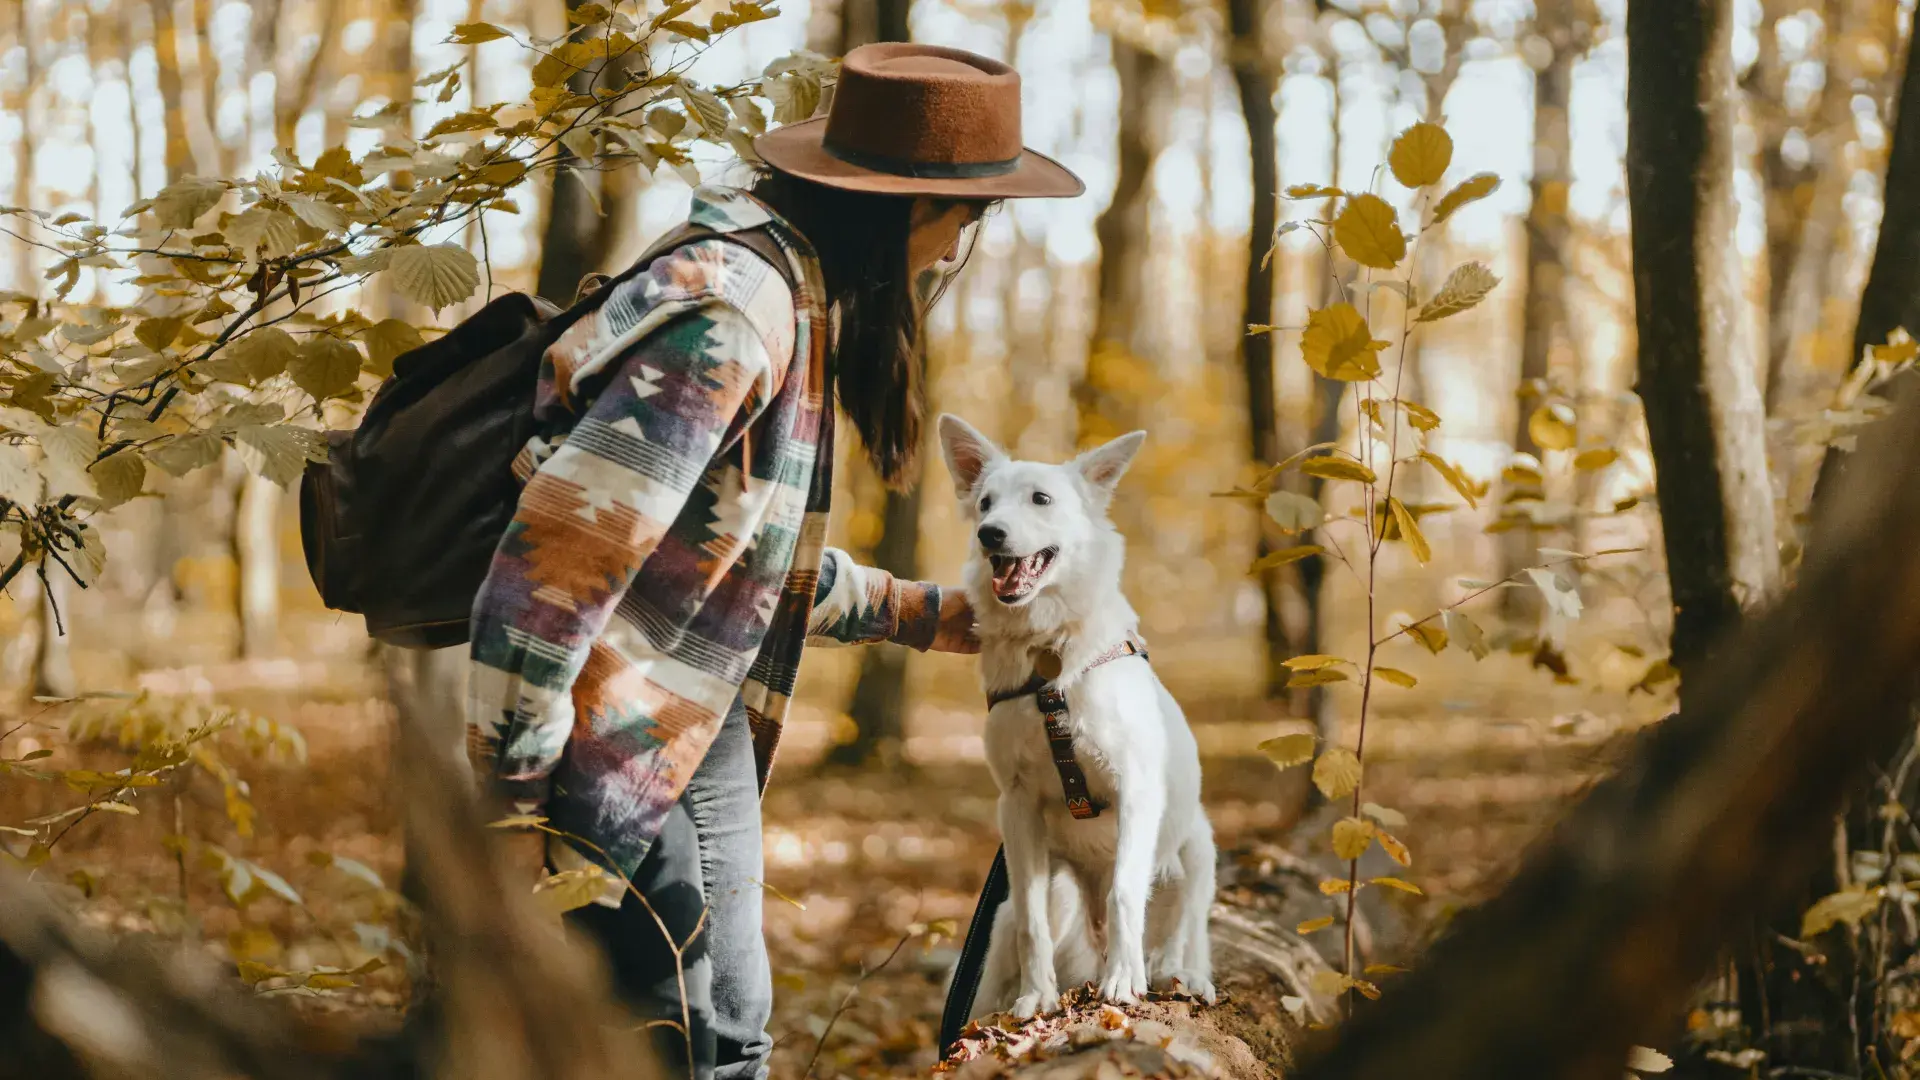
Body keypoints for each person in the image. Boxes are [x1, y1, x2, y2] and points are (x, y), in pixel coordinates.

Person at [463, 41, 1085, 1080]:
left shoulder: (785, 301)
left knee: (729, 1033)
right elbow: (547, 576)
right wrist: (506, 804)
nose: (957, 251)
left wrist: (930, 614)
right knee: (693, 1043)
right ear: (903, 212)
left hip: (684, 715)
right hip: (609, 734)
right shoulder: (733, 317)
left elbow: (720, 558)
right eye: (967, 220)